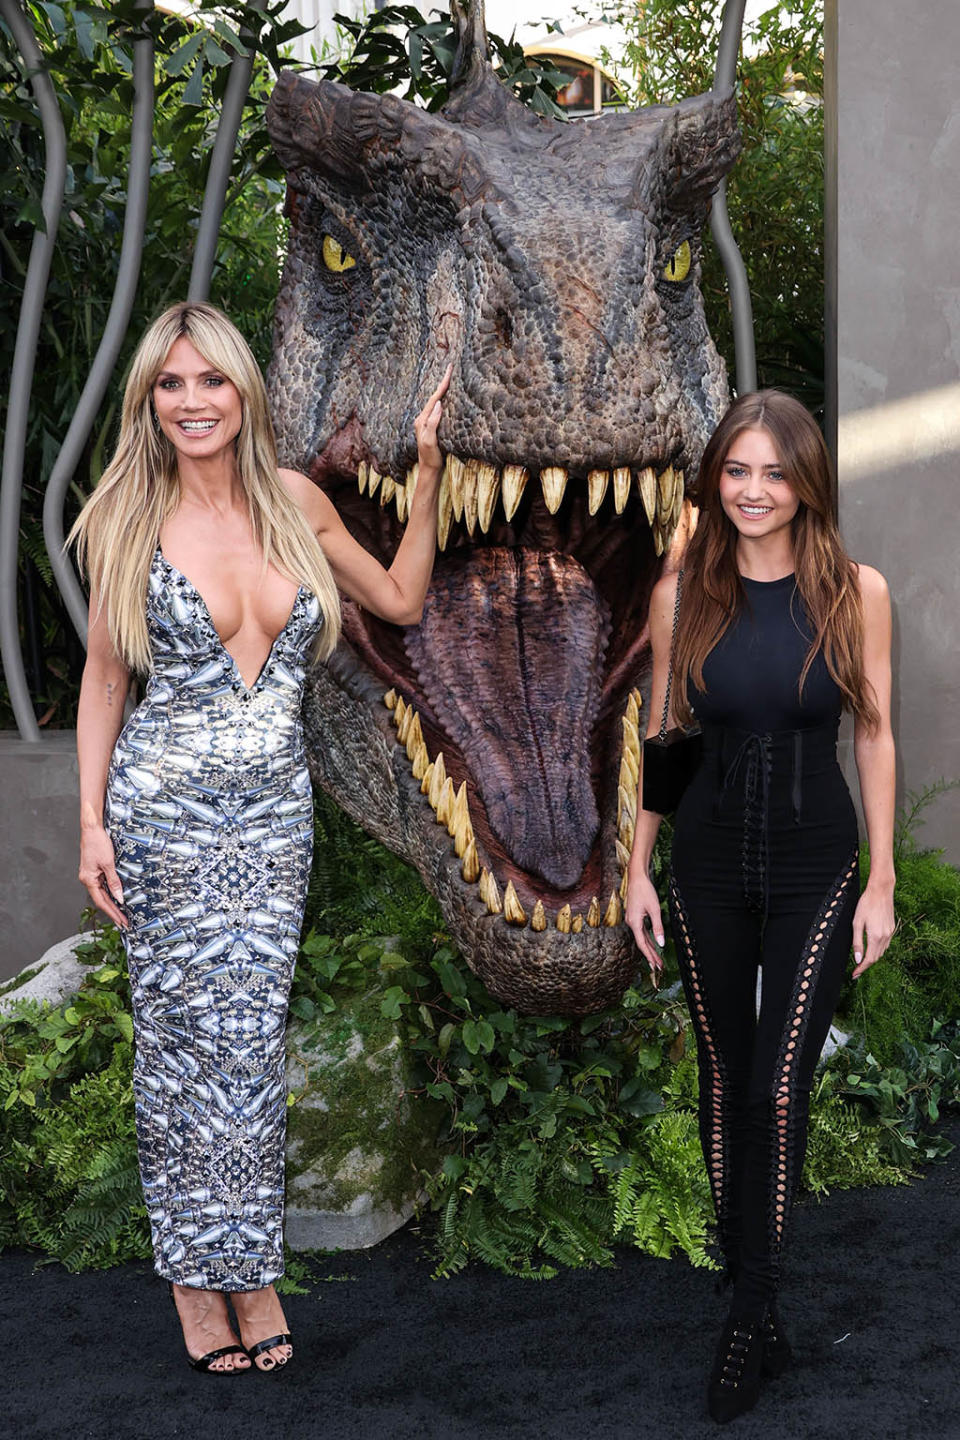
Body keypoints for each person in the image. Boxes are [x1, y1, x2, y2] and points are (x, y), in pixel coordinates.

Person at [71, 301, 449, 1374]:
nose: (193, 402)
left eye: (212, 383)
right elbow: (105, 680)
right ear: (151, 401)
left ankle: (250, 1265)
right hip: (161, 819)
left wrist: (423, 486)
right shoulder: (127, 520)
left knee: (245, 1054)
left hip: (272, 824)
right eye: (171, 386)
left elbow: (405, 600)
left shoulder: (294, 504)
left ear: (244, 395)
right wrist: (91, 822)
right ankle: (203, 1285)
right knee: (182, 1053)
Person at [625, 390, 896, 1423]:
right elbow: (666, 736)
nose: (752, 490)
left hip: (816, 866)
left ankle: (751, 1315)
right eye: (735, 471)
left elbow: (873, 735)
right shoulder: (682, 597)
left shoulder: (854, 593)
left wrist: (882, 879)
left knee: (779, 1085)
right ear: (714, 483)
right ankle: (759, 1309)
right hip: (704, 866)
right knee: (726, 1076)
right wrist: (638, 865)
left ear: (807, 482)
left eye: (773, 472)